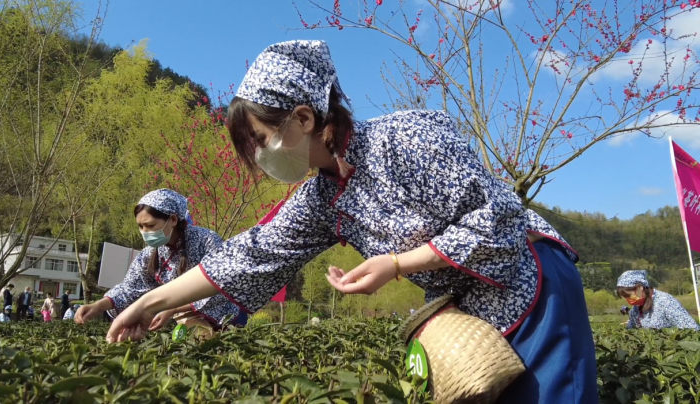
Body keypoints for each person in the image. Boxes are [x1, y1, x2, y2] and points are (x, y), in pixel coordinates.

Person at [104, 40, 598, 403]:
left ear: (303, 118)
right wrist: (147, 302)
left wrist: (398, 264)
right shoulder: (322, 196)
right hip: (468, 314)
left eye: (259, 139)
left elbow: (500, 218)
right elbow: (249, 255)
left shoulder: (405, 138)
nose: (257, 157)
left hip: (528, 283)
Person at [74, 189, 243, 337]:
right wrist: (98, 305)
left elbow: (220, 284)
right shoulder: (149, 254)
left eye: (150, 225)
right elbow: (130, 289)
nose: (145, 232)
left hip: (227, 318)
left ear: (173, 220)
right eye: (141, 227)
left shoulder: (206, 240)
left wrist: (172, 310)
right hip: (186, 321)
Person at [616, 270, 699, 330]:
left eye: (628, 295)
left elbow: (692, 329)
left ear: (640, 287)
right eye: (624, 297)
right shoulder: (635, 309)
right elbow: (632, 330)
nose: (628, 300)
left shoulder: (665, 301)